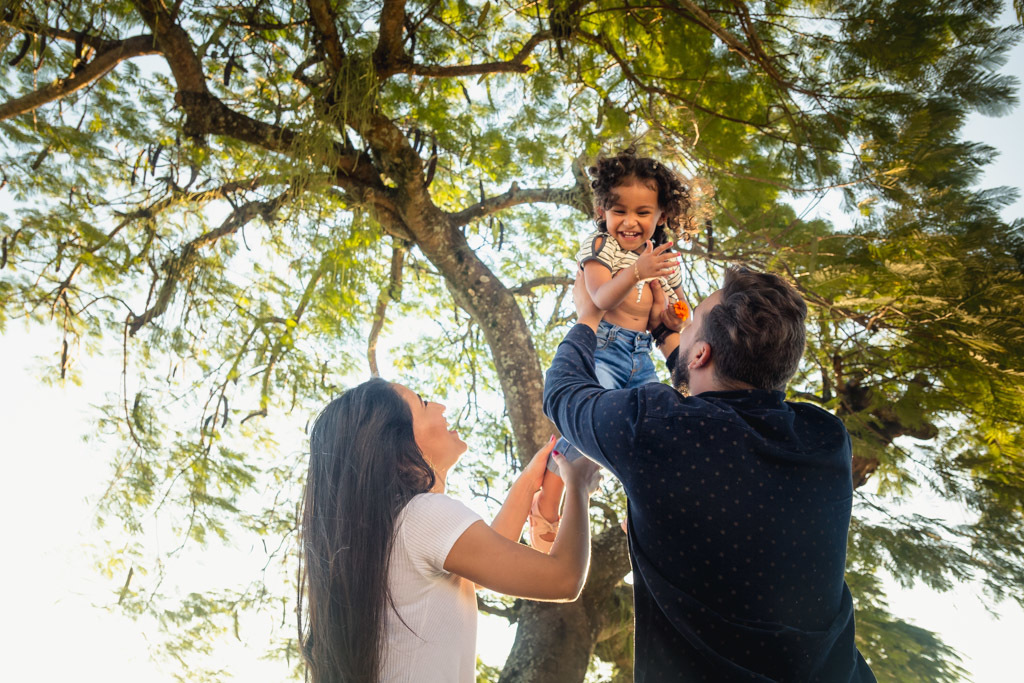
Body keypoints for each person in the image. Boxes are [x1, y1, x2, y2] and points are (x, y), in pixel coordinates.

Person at [543, 268, 876, 681]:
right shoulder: (824, 438)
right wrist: (676, 343)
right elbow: (718, 407)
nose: (681, 331)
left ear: (700, 354)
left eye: (691, 324)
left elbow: (563, 393)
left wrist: (587, 315)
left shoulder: (653, 426)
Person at [299, 378, 602, 683]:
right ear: (395, 443)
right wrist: (578, 486)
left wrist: (527, 484)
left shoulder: (394, 529)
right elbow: (563, 578)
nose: (441, 407)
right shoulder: (423, 515)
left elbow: (476, 574)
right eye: (423, 403)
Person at [530, 148, 693, 551]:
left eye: (643, 212)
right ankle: (548, 501)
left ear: (661, 216)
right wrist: (637, 271)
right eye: (619, 210)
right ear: (603, 209)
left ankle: (642, 508)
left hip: (641, 355)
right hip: (604, 347)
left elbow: (678, 309)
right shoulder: (601, 246)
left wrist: (675, 315)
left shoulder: (661, 255)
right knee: (588, 416)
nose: (630, 221)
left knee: (655, 425)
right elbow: (600, 296)